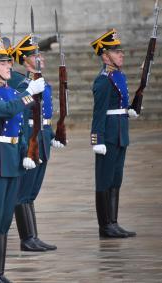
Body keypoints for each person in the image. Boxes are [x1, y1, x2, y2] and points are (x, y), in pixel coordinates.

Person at [0, 37, 44, 282]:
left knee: (4, 220)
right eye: (2, 63)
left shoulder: (12, 92)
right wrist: (28, 94)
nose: (8, 67)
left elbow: (21, 127)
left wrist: (27, 152)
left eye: (8, 63)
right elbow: (5, 111)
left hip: (13, 160)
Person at [9, 34, 64, 252]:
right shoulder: (23, 85)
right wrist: (24, 147)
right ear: (25, 60)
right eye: (36, 54)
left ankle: (33, 236)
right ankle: (26, 238)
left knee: (32, 192)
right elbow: (21, 118)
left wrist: (52, 135)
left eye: (40, 53)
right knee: (23, 191)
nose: (41, 57)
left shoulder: (42, 83)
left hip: (42, 137)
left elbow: (46, 115)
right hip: (29, 138)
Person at [90, 29, 137, 238]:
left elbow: (119, 103)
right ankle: (105, 225)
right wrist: (97, 139)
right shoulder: (103, 80)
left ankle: (114, 222)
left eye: (121, 51)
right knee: (104, 179)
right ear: (105, 56)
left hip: (120, 132)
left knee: (116, 179)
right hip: (107, 135)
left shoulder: (119, 76)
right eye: (116, 52)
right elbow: (98, 112)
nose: (121, 55)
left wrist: (129, 109)